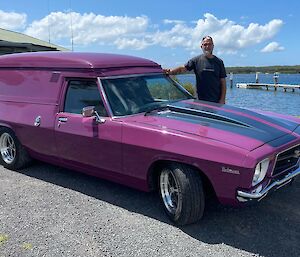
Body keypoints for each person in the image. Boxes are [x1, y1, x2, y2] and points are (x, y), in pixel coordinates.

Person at [165, 36, 227, 104]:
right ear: (201, 47)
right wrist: (170, 72)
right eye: (205, 44)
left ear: (213, 46)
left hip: (216, 101)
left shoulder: (219, 62)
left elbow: (223, 82)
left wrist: (222, 99)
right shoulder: (196, 60)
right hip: (200, 101)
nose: (207, 46)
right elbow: (182, 68)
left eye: (209, 44)